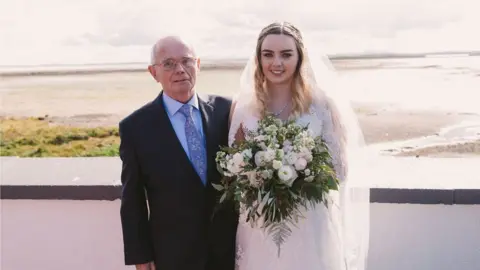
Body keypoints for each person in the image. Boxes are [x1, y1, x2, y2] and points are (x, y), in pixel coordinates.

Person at [228, 22, 371, 270]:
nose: (277, 63)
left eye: (286, 54)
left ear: (299, 57)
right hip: (260, 226)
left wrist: (301, 173)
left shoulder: (322, 105)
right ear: (259, 59)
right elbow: (234, 168)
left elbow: (339, 171)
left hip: (310, 223)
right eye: (268, 54)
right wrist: (262, 177)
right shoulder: (242, 107)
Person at [119, 36, 238, 270]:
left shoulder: (226, 111)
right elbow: (132, 198)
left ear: (199, 65)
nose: (180, 70)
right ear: (154, 73)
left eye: (187, 61)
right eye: (169, 64)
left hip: (227, 250)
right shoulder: (135, 127)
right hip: (172, 254)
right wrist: (141, 257)